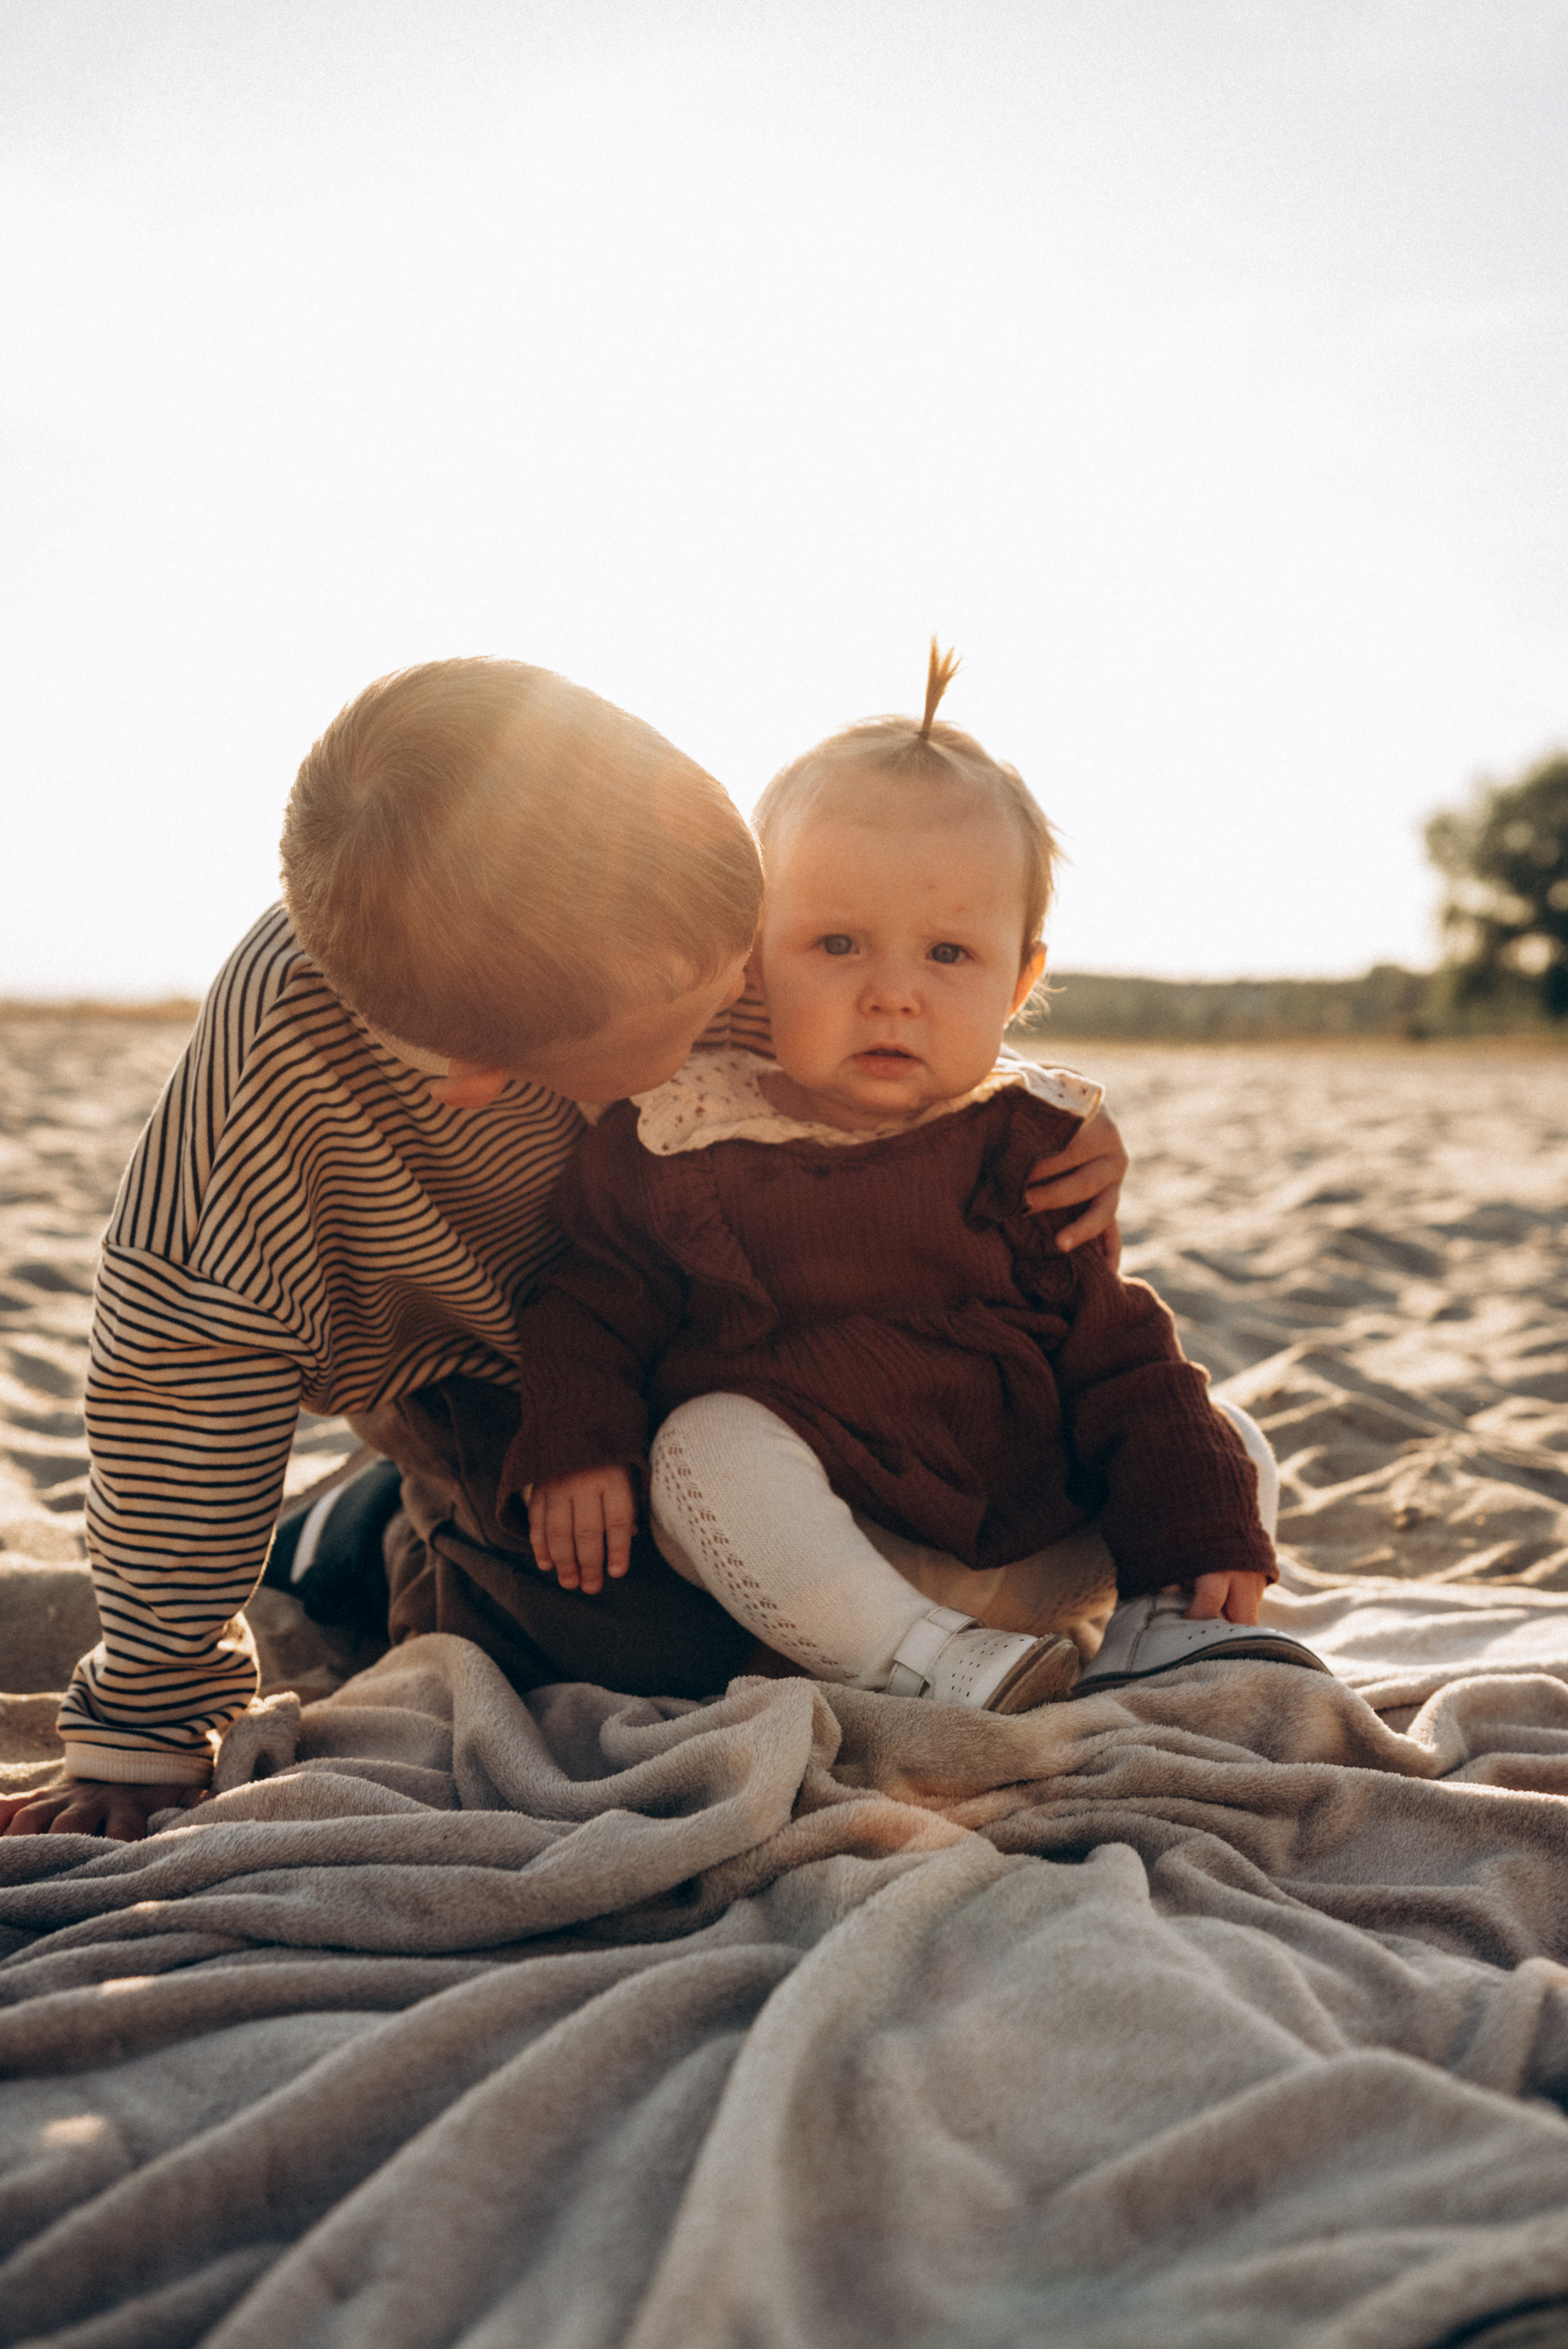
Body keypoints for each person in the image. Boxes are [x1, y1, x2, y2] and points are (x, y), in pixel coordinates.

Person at [1, 656, 1128, 1841]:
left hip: (706, 1332)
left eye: (746, 935)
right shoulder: (266, 1105)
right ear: (482, 1078)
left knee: (812, 1568)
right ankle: (372, 1528)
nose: (745, 986)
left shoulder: (668, 913)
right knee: (646, 1645)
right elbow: (176, 1400)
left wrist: (1043, 1107)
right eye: (698, 1007)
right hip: (469, 1365)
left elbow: (872, 1023)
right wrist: (150, 1715)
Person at [505, 649, 1327, 1712]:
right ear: (756, 956)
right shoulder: (686, 1139)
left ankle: (1156, 1641)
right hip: (826, 1557)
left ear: (1020, 978)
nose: (892, 994)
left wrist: (1199, 1529)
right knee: (699, 1451)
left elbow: (1117, 1354)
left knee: (1222, 1442)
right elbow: (593, 1302)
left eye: (948, 955)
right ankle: (925, 1662)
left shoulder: (1028, 1147)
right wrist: (574, 1444)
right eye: (837, 943)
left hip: (1034, 1547)